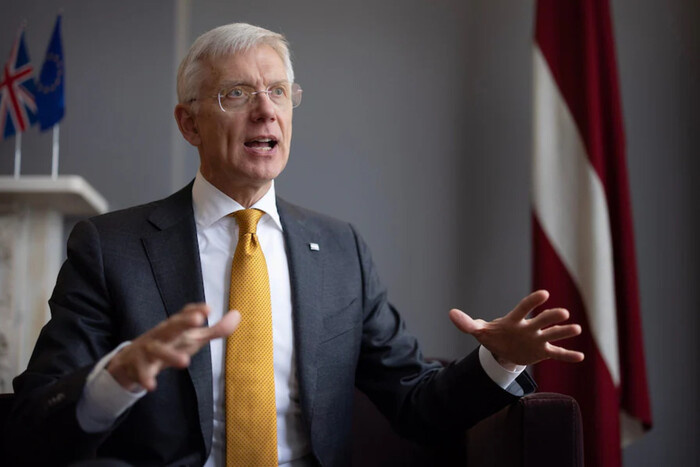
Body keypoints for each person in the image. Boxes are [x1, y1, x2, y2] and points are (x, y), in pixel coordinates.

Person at [4, 23, 583, 466]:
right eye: (237, 93)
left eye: (278, 92)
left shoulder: (340, 250)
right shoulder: (111, 248)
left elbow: (414, 404)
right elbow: (33, 420)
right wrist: (119, 375)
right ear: (189, 123)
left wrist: (499, 359)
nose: (265, 111)